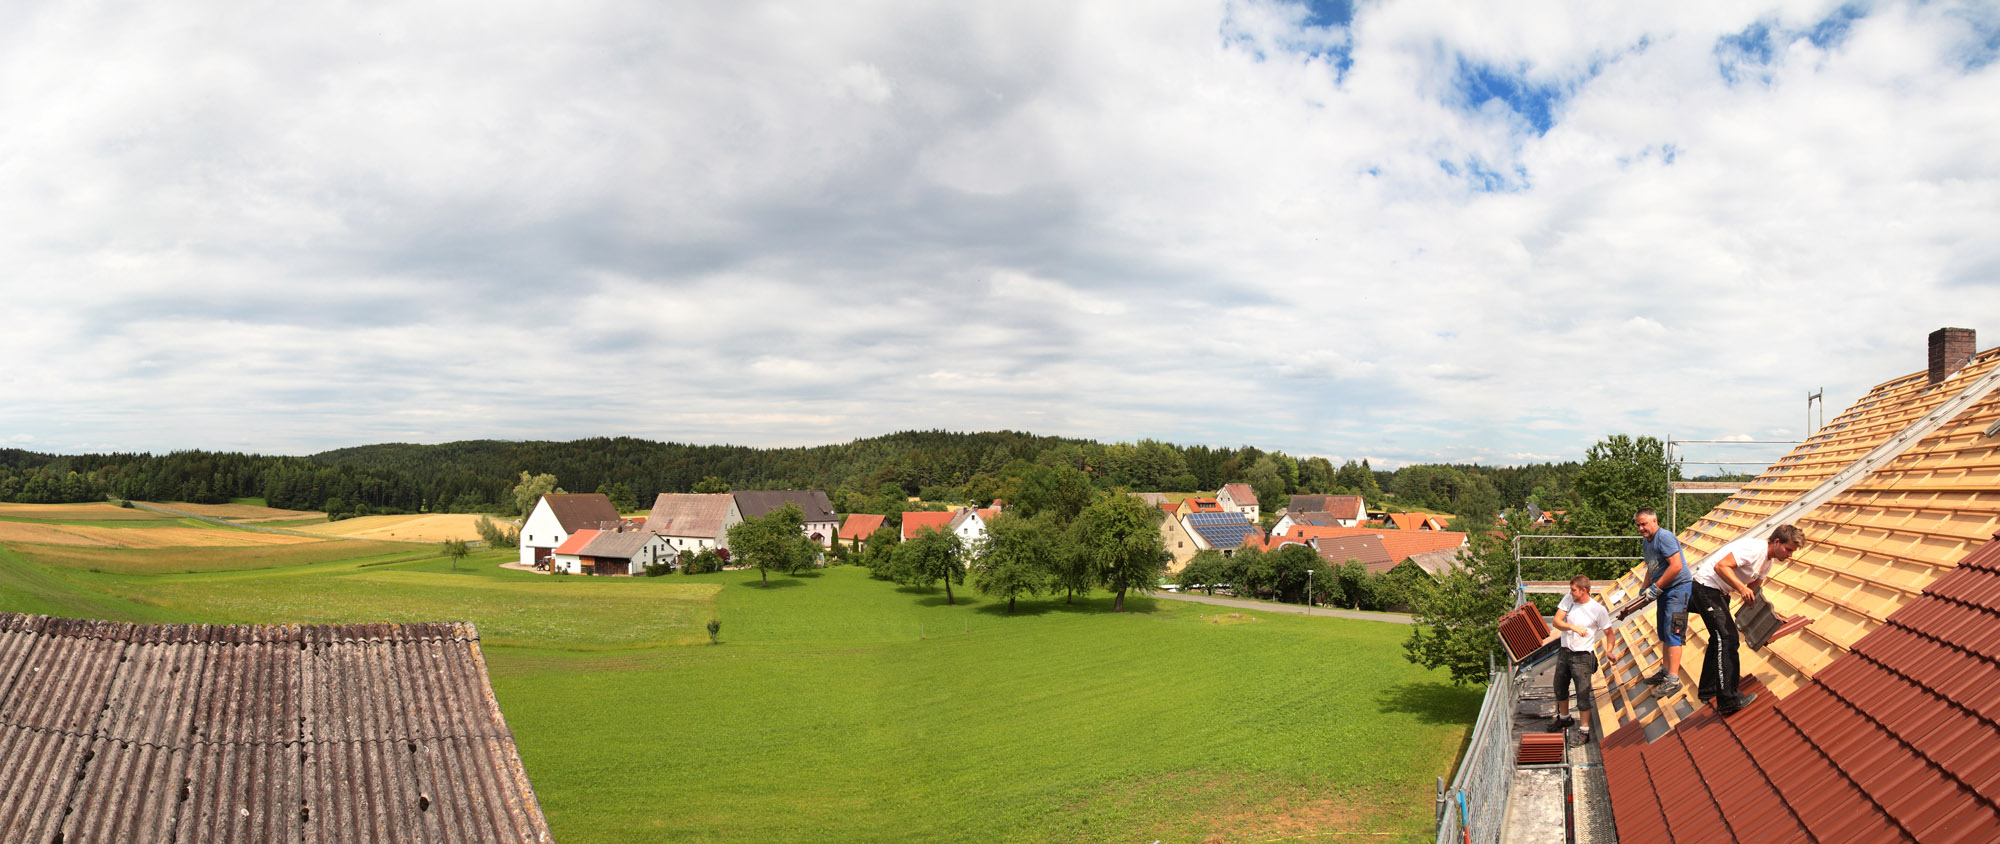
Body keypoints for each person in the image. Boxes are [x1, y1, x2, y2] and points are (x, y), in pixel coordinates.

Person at [1689, 524, 1805, 716]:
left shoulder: (1768, 562)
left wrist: (1772, 618)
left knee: (1719, 638)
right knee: (1728, 639)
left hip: (1718, 592)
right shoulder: (1753, 550)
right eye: (1789, 549)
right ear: (1777, 542)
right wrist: (1742, 588)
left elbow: (1754, 591)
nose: (1790, 554)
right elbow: (1721, 567)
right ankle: (1728, 700)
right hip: (1706, 588)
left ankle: (1708, 690)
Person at [1635, 508, 1693, 698]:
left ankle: (1673, 680)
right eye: (1638, 525)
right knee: (1664, 631)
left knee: (1674, 631)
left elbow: (1676, 566)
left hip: (1678, 589)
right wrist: (1644, 589)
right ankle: (1666, 671)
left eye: (1644, 524)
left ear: (1654, 521)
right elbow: (1651, 568)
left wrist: (1656, 587)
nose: (1641, 528)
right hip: (1664, 590)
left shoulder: (1664, 537)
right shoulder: (1647, 542)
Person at [1550, 575, 1612, 744]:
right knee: (1559, 687)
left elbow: (1609, 633)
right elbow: (1556, 621)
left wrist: (1610, 650)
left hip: (1583, 657)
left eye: (1574, 590)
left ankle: (1584, 731)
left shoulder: (1597, 610)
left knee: (1583, 693)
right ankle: (1564, 718)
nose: (1570, 593)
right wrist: (1572, 627)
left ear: (1584, 590)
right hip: (1565, 652)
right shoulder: (1569, 600)